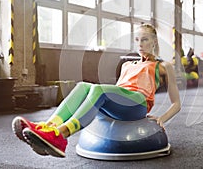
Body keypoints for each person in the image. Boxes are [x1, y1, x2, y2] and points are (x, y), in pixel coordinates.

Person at [12, 24, 181, 158]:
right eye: (137, 40)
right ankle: (48, 128)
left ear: (154, 42)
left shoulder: (162, 66)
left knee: (100, 89)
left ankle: (61, 136)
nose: (140, 44)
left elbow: (176, 104)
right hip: (120, 102)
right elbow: (118, 91)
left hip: (138, 103)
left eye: (144, 40)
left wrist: (161, 118)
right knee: (83, 86)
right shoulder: (127, 65)